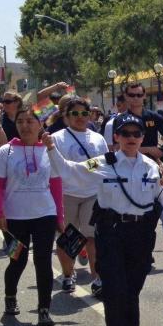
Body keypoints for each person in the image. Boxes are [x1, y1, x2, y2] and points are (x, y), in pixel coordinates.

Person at [45, 114, 163, 326]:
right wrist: (52, 149)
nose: (131, 138)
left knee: (133, 288)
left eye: (136, 134)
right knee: (115, 289)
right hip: (113, 233)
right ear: (115, 137)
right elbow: (69, 171)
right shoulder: (102, 162)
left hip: (141, 235)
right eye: (125, 134)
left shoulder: (150, 166)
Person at [0, 107, 65, 326]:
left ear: (40, 124)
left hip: (45, 215)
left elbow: (56, 184)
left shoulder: (49, 150)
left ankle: (44, 309)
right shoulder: (6, 151)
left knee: (44, 262)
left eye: (30, 121)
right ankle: (10, 297)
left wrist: (60, 216)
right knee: (17, 260)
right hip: (14, 218)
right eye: (20, 121)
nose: (25, 126)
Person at [51, 97, 109, 296]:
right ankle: (68, 275)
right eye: (74, 113)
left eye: (84, 113)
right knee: (69, 237)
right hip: (66, 193)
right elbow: (54, 167)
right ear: (66, 116)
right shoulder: (57, 138)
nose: (80, 117)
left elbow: (105, 165)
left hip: (92, 194)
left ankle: (97, 278)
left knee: (92, 238)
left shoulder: (97, 138)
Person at [122, 82, 163, 162]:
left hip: (151, 163)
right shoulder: (120, 120)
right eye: (132, 95)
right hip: (127, 163)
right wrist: (148, 149)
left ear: (144, 95)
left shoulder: (154, 117)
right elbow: (116, 148)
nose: (135, 98)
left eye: (139, 95)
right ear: (126, 96)